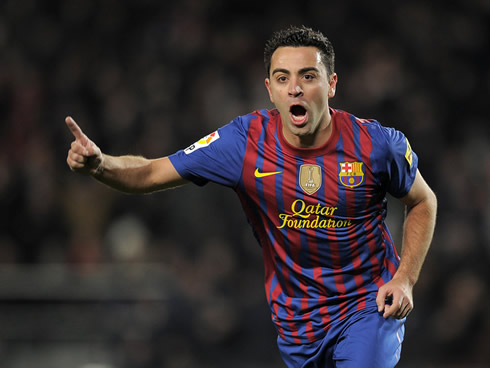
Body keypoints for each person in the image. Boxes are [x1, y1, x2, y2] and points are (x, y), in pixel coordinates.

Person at [65, 25, 437, 367]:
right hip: (298, 322)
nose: (295, 88)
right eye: (283, 78)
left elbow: (423, 201)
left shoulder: (375, 145)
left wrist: (404, 277)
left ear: (332, 83)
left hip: (367, 307)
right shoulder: (243, 143)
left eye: (308, 76)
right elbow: (150, 171)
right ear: (270, 88)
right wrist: (100, 165)